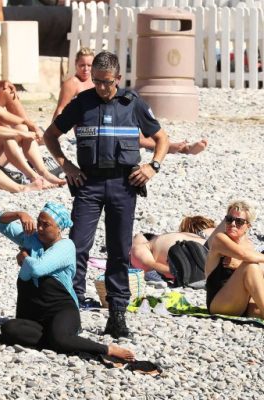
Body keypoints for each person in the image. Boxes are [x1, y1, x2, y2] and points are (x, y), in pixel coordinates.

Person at [43, 51, 170, 338]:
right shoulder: (81, 103)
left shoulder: (132, 103)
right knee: (76, 248)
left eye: (107, 82)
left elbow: (162, 139)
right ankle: (70, 311)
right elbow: (49, 136)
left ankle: (117, 315)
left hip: (123, 185)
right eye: (97, 81)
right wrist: (67, 166)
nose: (102, 87)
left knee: (118, 250)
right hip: (88, 184)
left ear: (118, 79)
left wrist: (153, 166)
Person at [0, 203, 134, 360]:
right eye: (38, 222)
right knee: (9, 329)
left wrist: (24, 257)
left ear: (59, 228)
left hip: (61, 310)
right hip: (33, 315)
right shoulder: (32, 239)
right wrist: (19, 214)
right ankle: (57, 339)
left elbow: (38, 268)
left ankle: (107, 349)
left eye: (45, 225)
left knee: (60, 338)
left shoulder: (66, 246)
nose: (39, 228)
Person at [52, 48, 208, 155]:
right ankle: (176, 148)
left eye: (89, 65)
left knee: (132, 129)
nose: (85, 69)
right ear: (75, 65)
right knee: (130, 136)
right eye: (82, 65)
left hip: (108, 118)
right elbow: (61, 109)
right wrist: (59, 131)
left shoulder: (102, 82)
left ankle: (172, 145)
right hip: (88, 127)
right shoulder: (73, 83)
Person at [0, 67, 65, 187]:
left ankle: (43, 172)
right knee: (6, 136)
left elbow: (21, 121)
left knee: (22, 128)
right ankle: (34, 177)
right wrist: (22, 134)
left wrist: (34, 127)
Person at [205, 201, 264, 317]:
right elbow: (243, 255)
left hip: (241, 302)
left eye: (239, 221)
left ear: (248, 226)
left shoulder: (248, 244)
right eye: (229, 219)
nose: (232, 223)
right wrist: (244, 264)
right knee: (251, 266)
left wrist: (239, 265)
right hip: (219, 303)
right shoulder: (220, 239)